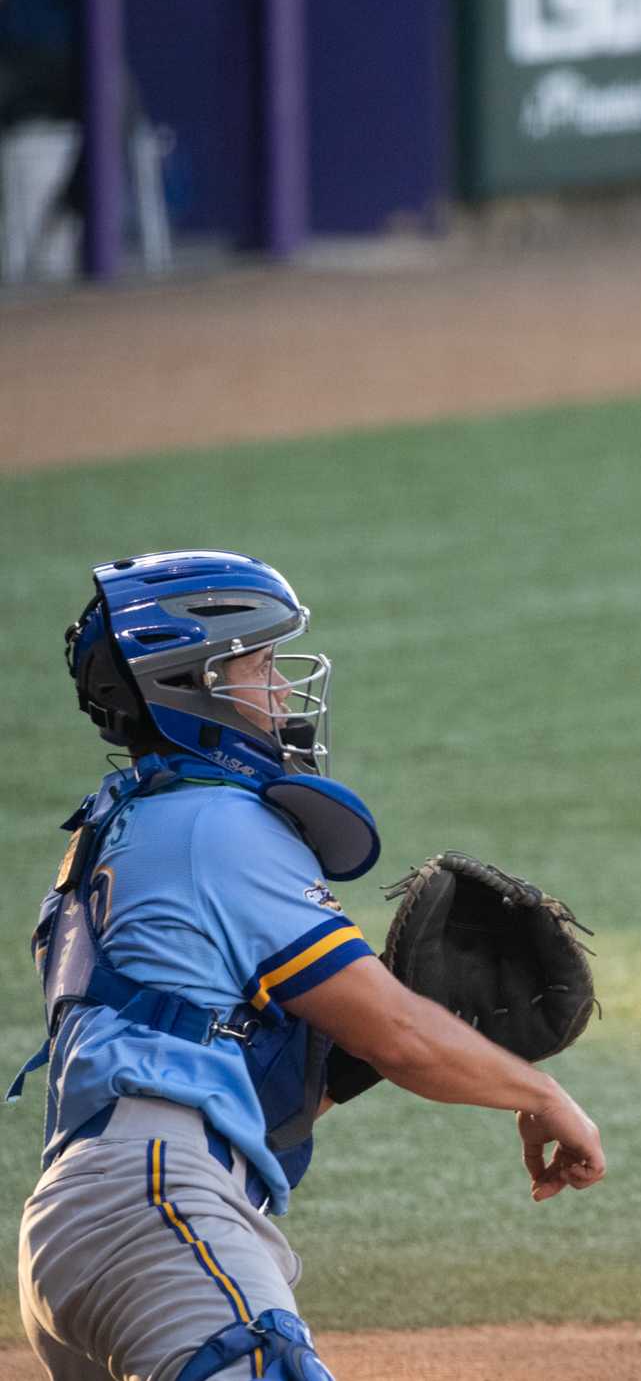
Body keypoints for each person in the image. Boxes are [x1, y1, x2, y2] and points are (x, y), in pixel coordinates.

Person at [17, 550, 606, 1381]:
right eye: (261, 665)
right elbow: (401, 1032)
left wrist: (353, 1064)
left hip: (75, 1235)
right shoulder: (216, 824)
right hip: (157, 1212)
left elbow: (241, 1085)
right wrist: (540, 1091)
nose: (286, 692)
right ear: (195, 683)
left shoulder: (116, 834)